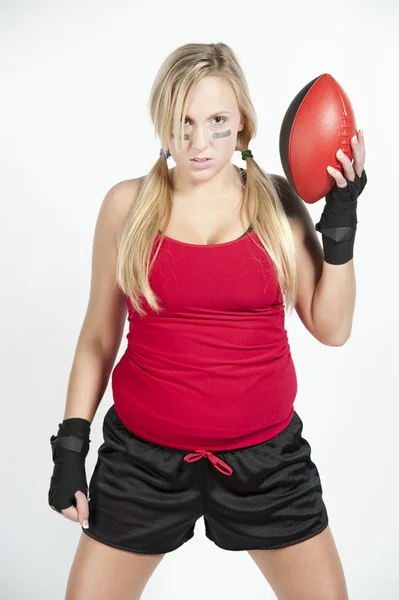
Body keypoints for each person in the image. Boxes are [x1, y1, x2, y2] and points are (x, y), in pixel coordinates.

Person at [48, 42, 367, 600]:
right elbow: (99, 336)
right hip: (141, 462)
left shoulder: (277, 203)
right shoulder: (127, 205)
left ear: (241, 120)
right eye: (183, 123)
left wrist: (339, 222)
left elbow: (332, 326)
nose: (199, 143)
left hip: (268, 463)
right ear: (163, 123)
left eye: (217, 121)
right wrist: (70, 447)